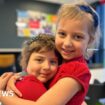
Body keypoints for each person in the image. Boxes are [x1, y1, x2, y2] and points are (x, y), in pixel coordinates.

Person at [0, 1, 101, 105]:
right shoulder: (61, 59)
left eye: (78, 37)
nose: (67, 43)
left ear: (90, 40)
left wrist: (1, 95)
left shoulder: (77, 69)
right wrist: (14, 77)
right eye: (62, 34)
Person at [12, 33, 61, 101]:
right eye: (39, 60)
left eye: (52, 62)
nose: (46, 67)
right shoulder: (28, 85)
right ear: (27, 60)